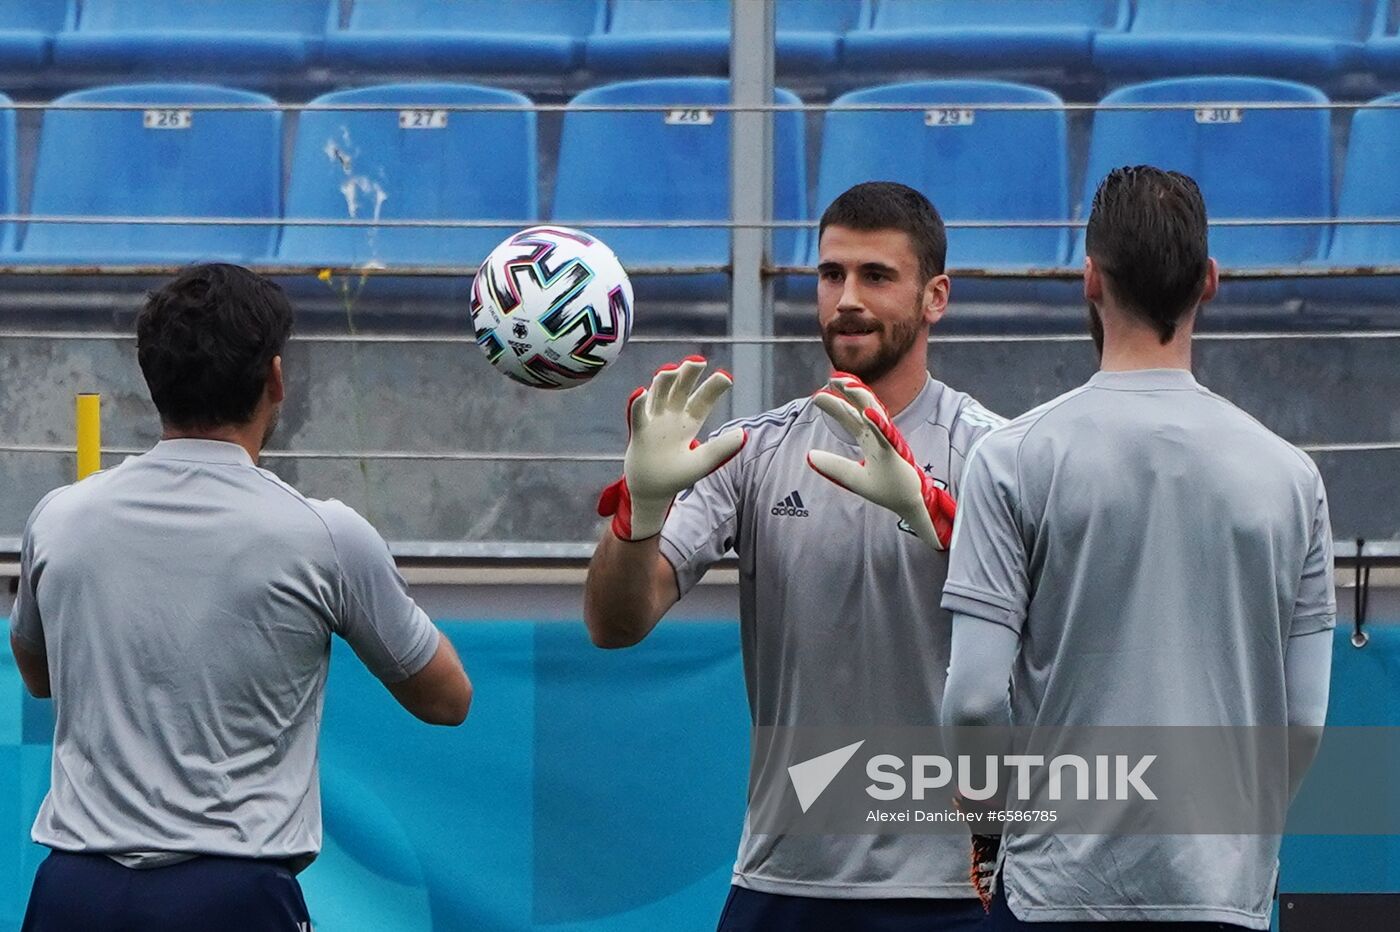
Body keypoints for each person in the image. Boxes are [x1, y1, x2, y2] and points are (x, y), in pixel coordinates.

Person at [585, 181, 1004, 931]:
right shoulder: (753, 450)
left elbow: (1057, 630)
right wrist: (639, 515)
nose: (847, 298)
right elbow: (616, 622)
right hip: (785, 879)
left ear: (935, 296)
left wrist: (941, 521)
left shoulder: (998, 454)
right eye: (831, 273)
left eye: (877, 276)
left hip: (952, 891)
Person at [9, 263, 472, 931]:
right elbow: (448, 699)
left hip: (75, 893)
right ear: (276, 379)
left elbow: (38, 676)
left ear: (151, 380)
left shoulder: (58, 517)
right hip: (233, 896)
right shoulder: (326, 534)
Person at [938, 166, 1335, 929]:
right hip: (1223, 895)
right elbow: (1306, 718)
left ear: (1089, 278)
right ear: (1209, 281)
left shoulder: (1014, 458)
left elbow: (978, 696)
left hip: (1056, 893)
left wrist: (990, 823)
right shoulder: (1291, 476)